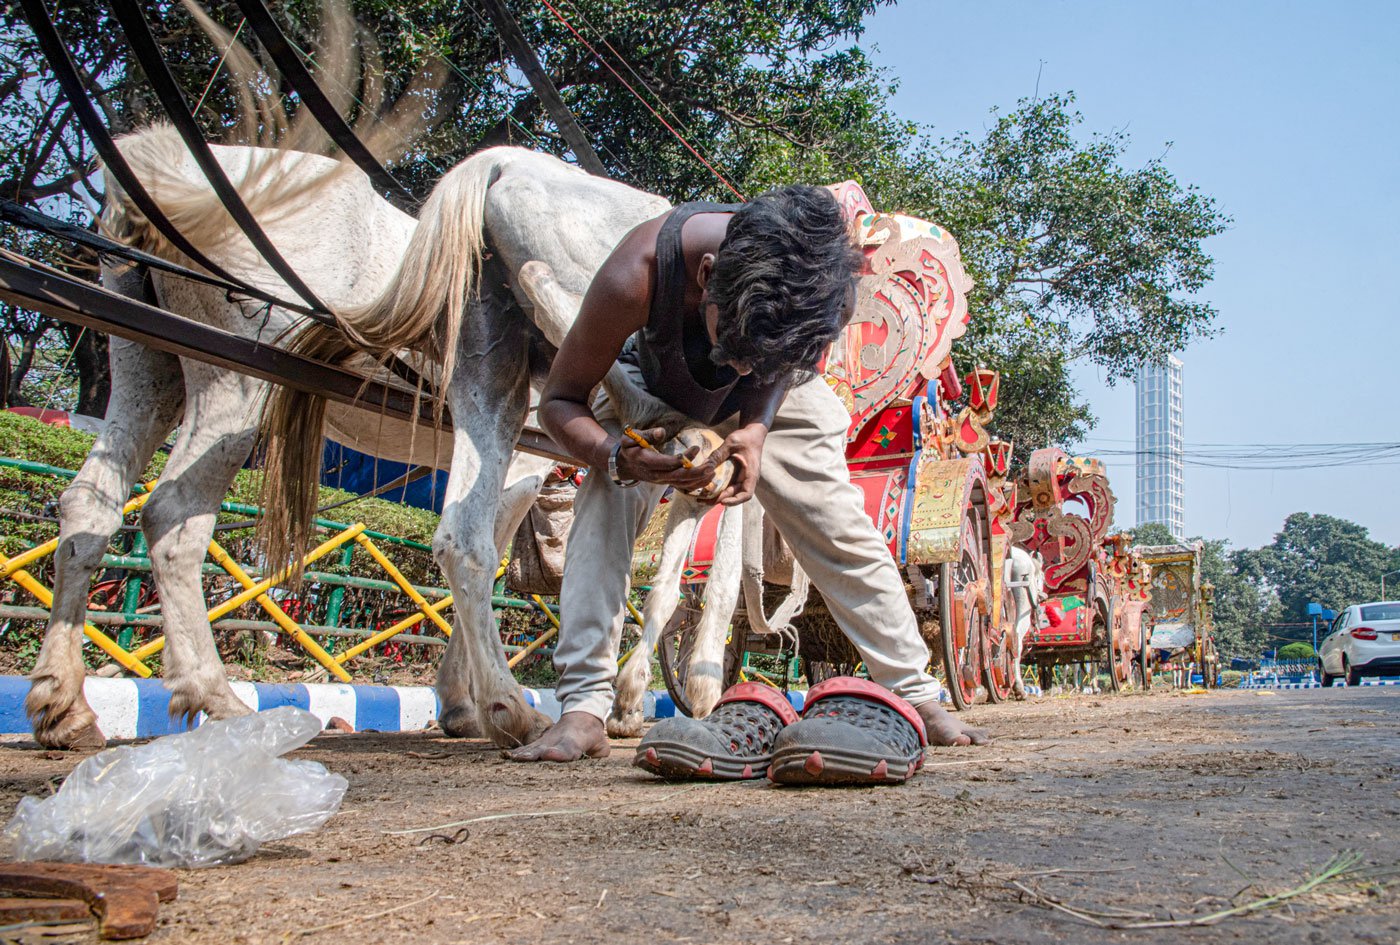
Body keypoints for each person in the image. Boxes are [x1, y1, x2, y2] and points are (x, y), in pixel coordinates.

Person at [507, 185, 988, 766]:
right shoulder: (634, 275)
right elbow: (560, 401)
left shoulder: (823, 292)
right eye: (732, 345)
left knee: (832, 518)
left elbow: (777, 365)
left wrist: (757, 428)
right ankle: (583, 709)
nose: (736, 367)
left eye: (754, 356)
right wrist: (617, 456)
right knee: (605, 502)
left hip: (779, 396)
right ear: (707, 277)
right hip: (649, 384)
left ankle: (913, 694)